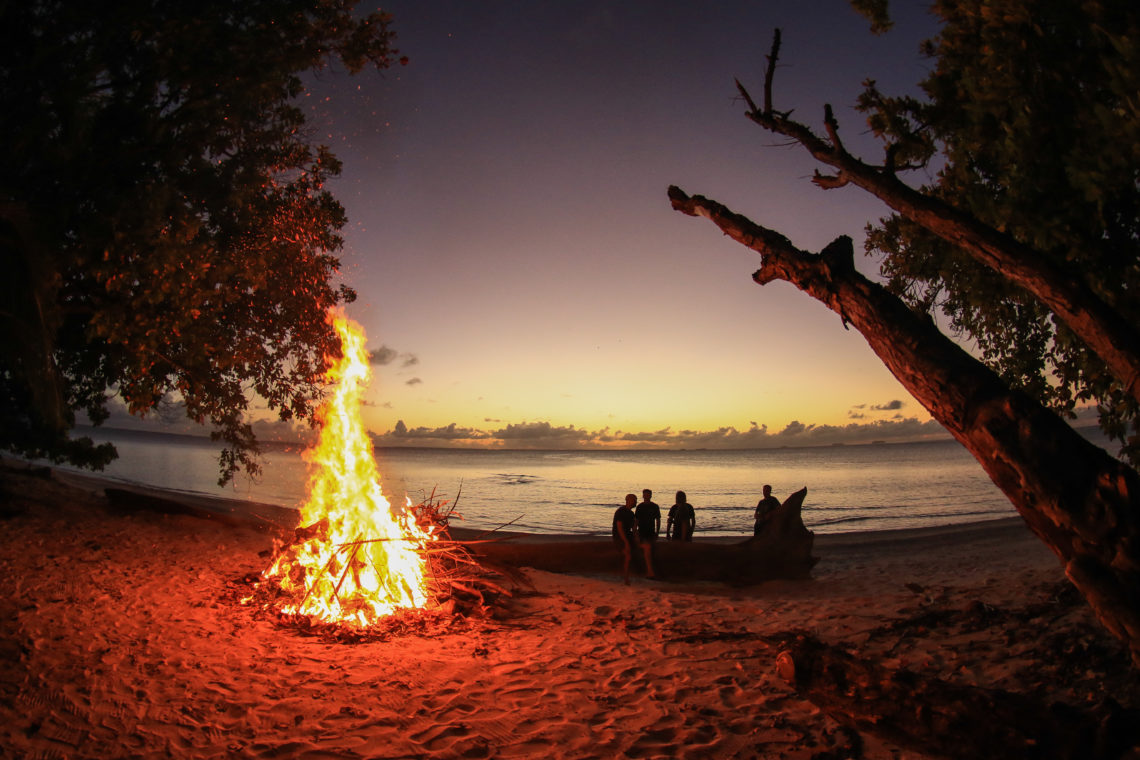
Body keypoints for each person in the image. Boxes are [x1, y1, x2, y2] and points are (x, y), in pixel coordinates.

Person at [635, 488, 661, 578]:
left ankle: (651, 571)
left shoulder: (654, 506)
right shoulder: (640, 507)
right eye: (645, 495)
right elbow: (636, 521)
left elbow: (658, 520)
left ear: (651, 496)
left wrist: (657, 532)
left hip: (651, 531)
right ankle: (650, 571)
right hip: (642, 531)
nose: (646, 496)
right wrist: (636, 533)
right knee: (647, 550)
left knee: (652, 551)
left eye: (648, 495)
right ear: (643, 496)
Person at [612, 493, 637, 584]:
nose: (636, 502)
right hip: (619, 537)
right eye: (634, 500)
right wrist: (626, 542)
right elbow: (619, 527)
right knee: (627, 553)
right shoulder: (621, 511)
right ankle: (626, 577)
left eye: (636, 500)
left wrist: (636, 534)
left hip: (628, 535)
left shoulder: (631, 513)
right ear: (628, 500)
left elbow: (633, 529)